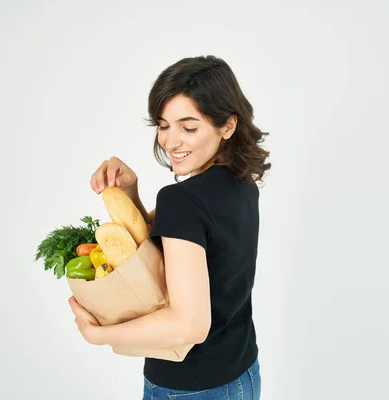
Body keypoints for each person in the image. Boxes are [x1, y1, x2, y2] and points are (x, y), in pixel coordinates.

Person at [68, 55, 270, 399]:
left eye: (188, 127)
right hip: (242, 375)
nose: (171, 141)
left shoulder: (182, 199)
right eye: (163, 125)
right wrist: (129, 190)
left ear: (228, 125)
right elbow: (164, 245)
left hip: (190, 389)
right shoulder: (242, 183)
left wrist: (99, 334)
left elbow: (190, 325)